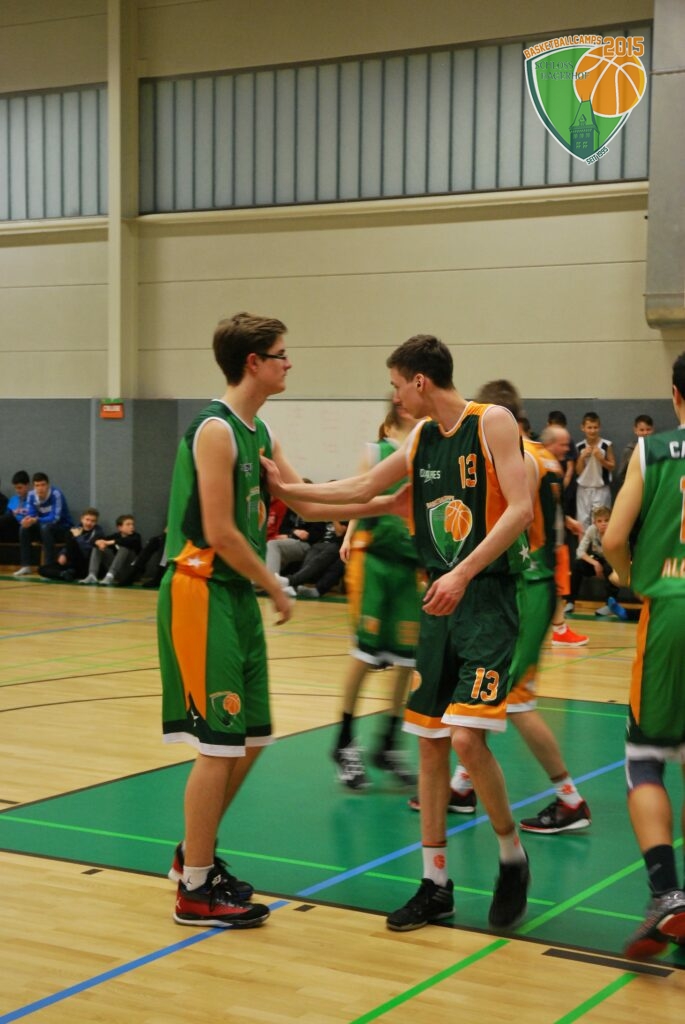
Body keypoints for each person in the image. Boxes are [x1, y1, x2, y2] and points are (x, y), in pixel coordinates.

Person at [263, 334, 534, 933]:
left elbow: (520, 509)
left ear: (419, 380)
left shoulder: (491, 422)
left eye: (395, 384)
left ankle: (512, 855)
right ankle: (435, 884)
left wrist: (463, 572)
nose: (393, 396)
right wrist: (287, 490)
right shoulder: (421, 440)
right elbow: (360, 491)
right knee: (431, 743)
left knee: (466, 740)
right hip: (439, 600)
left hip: (486, 599)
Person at [158, 311, 394, 929]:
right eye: (281, 354)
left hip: (235, 595)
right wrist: (276, 586)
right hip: (200, 590)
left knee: (254, 737)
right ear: (253, 363)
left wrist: (391, 501)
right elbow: (219, 531)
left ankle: (193, 853)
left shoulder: (259, 430)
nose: (290, 363)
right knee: (218, 744)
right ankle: (195, 888)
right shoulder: (215, 431)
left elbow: (305, 499)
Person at [409, 386, 590, 833]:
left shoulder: (513, 457)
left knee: (515, 698)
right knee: (483, 701)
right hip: (536, 581)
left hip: (520, 585)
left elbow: (513, 517)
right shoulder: (541, 456)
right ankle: (463, 783)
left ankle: (570, 798)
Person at [603, 351, 685, 960]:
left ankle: (667, 894)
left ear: (676, 396)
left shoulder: (651, 451)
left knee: (645, 760)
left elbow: (612, 537)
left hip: (671, 612)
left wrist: (631, 577)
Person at [331, 402, 422, 791]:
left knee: (407, 656)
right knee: (366, 653)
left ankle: (388, 741)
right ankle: (344, 742)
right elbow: (358, 496)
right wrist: (350, 535)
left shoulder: (425, 454)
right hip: (375, 562)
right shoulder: (376, 451)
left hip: (410, 565)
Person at [13, 472, 73, 576]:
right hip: (43, 527)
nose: (40, 488)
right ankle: (26, 566)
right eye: (37, 485)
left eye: (43, 485)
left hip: (62, 528)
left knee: (46, 528)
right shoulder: (31, 495)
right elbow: (31, 514)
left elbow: (55, 518)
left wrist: (35, 520)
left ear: (48, 485)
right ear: (33, 486)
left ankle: (48, 567)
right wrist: (27, 520)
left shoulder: (56, 494)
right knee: (24, 528)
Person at [566, 506, 620, 616]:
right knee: (577, 565)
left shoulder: (616, 531)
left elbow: (620, 554)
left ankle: (610, 605)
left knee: (608, 568)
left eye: (606, 520)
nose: (603, 524)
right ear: (594, 523)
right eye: (599, 521)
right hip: (598, 559)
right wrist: (595, 563)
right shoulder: (592, 530)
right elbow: (580, 551)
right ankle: (570, 602)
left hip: (614, 560)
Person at [277, 519, 348, 597]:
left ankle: (289, 581)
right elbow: (314, 533)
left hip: (336, 545)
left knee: (324, 559)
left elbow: (339, 533)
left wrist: (334, 517)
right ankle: (293, 587)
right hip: (319, 544)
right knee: (309, 563)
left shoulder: (343, 517)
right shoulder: (322, 517)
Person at [38, 508, 104, 581]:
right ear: (82, 519)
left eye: (93, 521)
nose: (89, 523)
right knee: (42, 569)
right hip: (70, 562)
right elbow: (67, 545)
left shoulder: (98, 532)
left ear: (96, 522)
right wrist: (63, 554)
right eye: (87, 520)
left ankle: (70, 572)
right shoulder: (75, 529)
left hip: (85, 562)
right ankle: (63, 574)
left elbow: (86, 549)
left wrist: (78, 537)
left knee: (70, 537)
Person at [574, 412, 615, 529]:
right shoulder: (580, 446)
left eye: (595, 427)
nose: (592, 431)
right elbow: (578, 472)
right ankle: (584, 542)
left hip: (601, 489)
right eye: (589, 427)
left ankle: (602, 542)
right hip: (583, 489)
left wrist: (601, 459)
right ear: (583, 428)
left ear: (599, 427)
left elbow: (612, 466)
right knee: (582, 524)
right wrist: (581, 457)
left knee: (602, 524)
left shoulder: (606, 445)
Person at [80, 514, 142, 585]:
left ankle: (110, 576)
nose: (131, 527)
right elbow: (95, 540)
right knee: (97, 547)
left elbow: (126, 541)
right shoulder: (116, 536)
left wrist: (109, 542)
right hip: (118, 572)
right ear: (120, 527)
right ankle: (92, 575)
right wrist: (98, 542)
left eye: (132, 524)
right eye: (128, 524)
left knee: (124, 547)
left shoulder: (136, 537)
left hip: (131, 572)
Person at [616, 413, 654, 490]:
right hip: (635, 489)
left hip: (653, 488)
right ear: (635, 430)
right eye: (641, 430)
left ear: (653, 429)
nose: (645, 433)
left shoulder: (658, 449)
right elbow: (621, 474)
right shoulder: (629, 450)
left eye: (648, 429)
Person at [0, 470, 31, 542]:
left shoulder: (33, 500)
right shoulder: (13, 499)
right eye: (15, 488)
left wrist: (15, 514)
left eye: (20, 488)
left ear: (27, 485)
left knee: (9, 517)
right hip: (10, 530)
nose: (17, 490)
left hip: (24, 528)